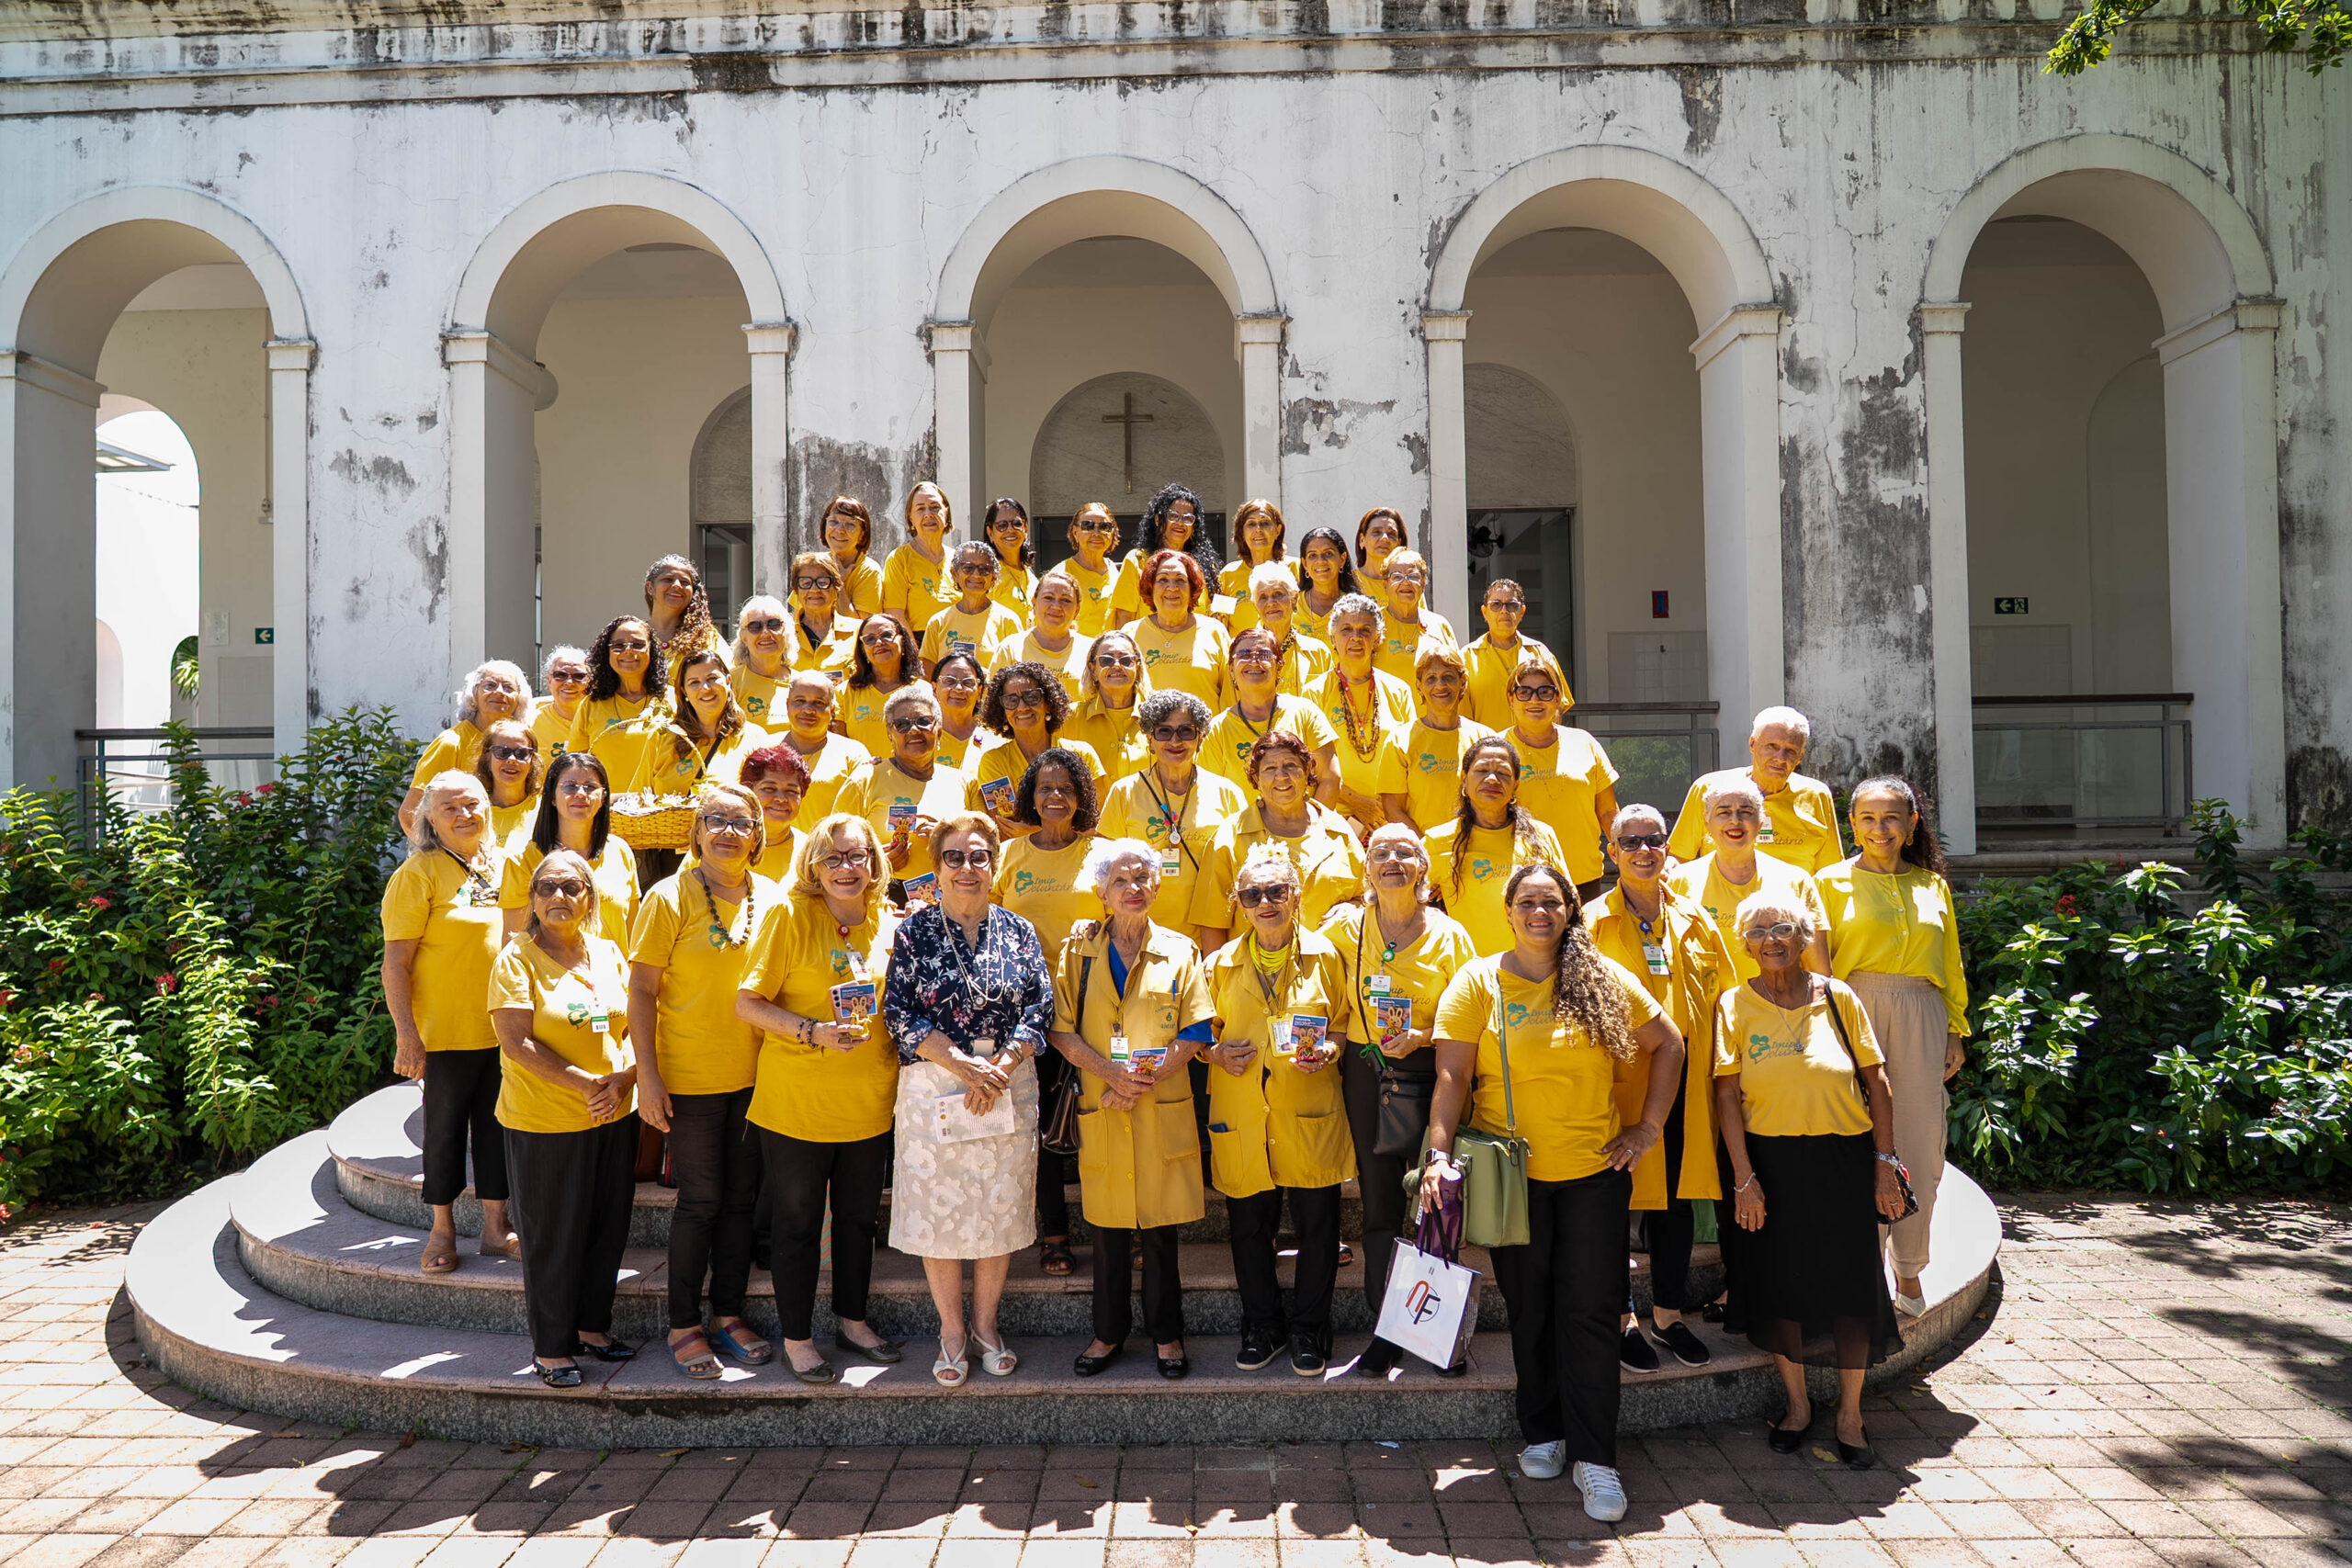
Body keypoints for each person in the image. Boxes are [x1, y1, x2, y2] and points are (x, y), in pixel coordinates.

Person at [1424, 864, 1686, 1519]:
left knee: (1591, 1312)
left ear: (1570, 909)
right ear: (1508, 910)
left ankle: (1596, 1459)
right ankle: (1543, 1429)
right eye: (1527, 902)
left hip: (1595, 1176)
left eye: (1552, 901)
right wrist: (1436, 1155)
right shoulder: (1477, 981)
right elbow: (1452, 1078)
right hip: (1513, 1179)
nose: (1539, 911)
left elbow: (1669, 1043)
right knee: (1531, 1306)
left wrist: (1648, 1125)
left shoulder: (1598, 978)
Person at [1714, 890, 1908, 1467]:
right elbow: (1726, 1094)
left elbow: (1878, 1084)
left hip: (1844, 1159)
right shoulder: (1733, 1004)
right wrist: (1744, 1178)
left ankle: (1850, 1414)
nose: (1771, 940)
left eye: (1783, 929)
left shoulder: (1839, 996)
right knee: (1782, 1285)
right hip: (1770, 1163)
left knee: (1853, 1285)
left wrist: (1883, 1164)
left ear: (1803, 939)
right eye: (1758, 931)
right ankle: (1797, 1406)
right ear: (1744, 945)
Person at [884, 813, 1055, 1384]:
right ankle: (951, 1330)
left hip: (1006, 1083)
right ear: (936, 868)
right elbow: (897, 1012)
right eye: (953, 857)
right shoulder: (913, 932)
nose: (966, 867)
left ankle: (986, 1327)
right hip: (936, 1081)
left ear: (995, 864)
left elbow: (1040, 1009)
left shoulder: (1020, 930)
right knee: (940, 1213)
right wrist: (960, 1063)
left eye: (978, 855)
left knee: (997, 1208)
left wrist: (1000, 1067)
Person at [736, 815, 906, 1382]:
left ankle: (853, 1322)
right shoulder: (789, 914)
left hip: (869, 1099)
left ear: (874, 862)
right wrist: (813, 1032)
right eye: (833, 859)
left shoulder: (888, 919)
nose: (846, 869)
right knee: (799, 1224)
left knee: (859, 1220)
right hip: (797, 1103)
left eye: (857, 857)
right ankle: (799, 1338)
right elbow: (749, 1004)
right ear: (813, 864)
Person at [1047, 840, 1217, 1379]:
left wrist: (1137, 1081)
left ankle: (1168, 1336)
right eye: (1121, 880)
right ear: (1102, 892)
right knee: (1107, 1228)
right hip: (1104, 1100)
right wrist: (1111, 1077)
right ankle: (1108, 1334)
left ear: (1157, 886)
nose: (1134, 888)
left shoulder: (1182, 950)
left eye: (1143, 878)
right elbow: (1060, 1030)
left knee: (1162, 1229)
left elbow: (1194, 1032)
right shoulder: (1079, 952)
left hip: (1156, 1102)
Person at [1583, 805, 1736, 1371]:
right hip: (1621, 1087)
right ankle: (1623, 1318)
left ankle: (1668, 1315)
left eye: (1654, 840)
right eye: (1631, 842)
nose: (1644, 851)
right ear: (1612, 852)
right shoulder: (1591, 923)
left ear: (1668, 848)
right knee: (1615, 1207)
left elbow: (1725, 1001)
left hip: (1686, 1086)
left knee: (1673, 1204)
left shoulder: (1697, 921)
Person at [627, 784, 771, 1379]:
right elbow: (640, 990)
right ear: (697, 830)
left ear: (758, 834)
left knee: (742, 1202)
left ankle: (729, 1313)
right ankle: (684, 1323)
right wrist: (649, 1078)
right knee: (701, 1202)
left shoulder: (776, 898)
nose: (728, 830)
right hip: (689, 1079)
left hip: (761, 1080)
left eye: (741, 821)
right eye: (716, 819)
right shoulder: (669, 897)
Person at [1815, 775, 1969, 1318]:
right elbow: (1820, 969)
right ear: (1851, 824)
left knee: (1923, 1146)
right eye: (1868, 819)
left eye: (1891, 818)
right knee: (1859, 1144)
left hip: (1924, 1014)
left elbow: (1949, 963)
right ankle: (1862, 1271)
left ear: (1911, 824)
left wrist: (1955, 1028)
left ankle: (1909, 1270)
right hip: (1855, 1011)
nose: (1880, 829)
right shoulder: (1827, 883)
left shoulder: (1933, 885)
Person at [1328, 824, 1479, 1378]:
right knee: (1379, 1209)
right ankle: (1386, 1331)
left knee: (1439, 1205)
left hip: (1431, 1073)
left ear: (1423, 868)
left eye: (1405, 852)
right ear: (1366, 868)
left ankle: (1442, 1334)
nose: (1392, 860)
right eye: (1381, 852)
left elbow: (1469, 1014)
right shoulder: (1346, 927)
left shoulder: (1450, 934)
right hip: (1368, 1075)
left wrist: (1423, 1034)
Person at [491, 848, 639, 1388]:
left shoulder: (606, 951)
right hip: (545, 1120)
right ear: (531, 899)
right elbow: (516, 1041)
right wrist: (586, 1085)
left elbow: (628, 1030)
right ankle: (552, 1348)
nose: (559, 897)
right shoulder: (516, 957)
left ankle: (593, 1329)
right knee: (552, 1235)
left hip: (612, 1114)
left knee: (606, 1228)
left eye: (572, 887)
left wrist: (622, 1082)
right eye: (547, 887)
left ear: (589, 898)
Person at [1204, 852, 1355, 1374]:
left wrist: (1331, 1051)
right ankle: (1262, 1324)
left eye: (1275, 892)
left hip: (1309, 1110)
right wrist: (1214, 1053)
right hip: (1244, 1113)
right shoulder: (1218, 964)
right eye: (1252, 895)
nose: (1264, 903)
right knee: (1249, 1229)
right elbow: (1203, 1034)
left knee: (1318, 1229)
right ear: (1239, 904)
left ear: (1295, 895)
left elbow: (1341, 1023)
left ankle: (1311, 1329)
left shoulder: (1327, 956)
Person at [383, 771, 515, 1276]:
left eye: (473, 804)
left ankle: (495, 1227)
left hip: (503, 1029)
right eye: (450, 808)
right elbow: (395, 963)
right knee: (442, 1133)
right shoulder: (418, 874)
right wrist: (406, 1034)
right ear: (430, 820)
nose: (465, 815)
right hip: (443, 1034)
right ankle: (441, 1229)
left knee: (497, 1129)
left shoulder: (506, 866)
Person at [994, 750, 1108, 1279]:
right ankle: (1055, 1233)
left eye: (1066, 787)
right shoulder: (1008, 854)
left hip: (1096, 1006)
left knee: (1102, 1119)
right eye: (1044, 788)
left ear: (1082, 796)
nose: (1055, 796)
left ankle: (1117, 1226)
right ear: (1029, 798)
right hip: (1028, 1011)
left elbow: (1129, 920)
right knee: (1041, 1126)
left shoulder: (1102, 854)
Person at [1191, 731, 1368, 946]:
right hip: (1256, 974)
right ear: (1255, 778)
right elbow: (1212, 921)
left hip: (1331, 972)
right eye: (1269, 768)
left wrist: (1355, 907)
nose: (1282, 776)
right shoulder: (1231, 836)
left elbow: (1369, 897)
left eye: (1291, 765)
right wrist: (1216, 974)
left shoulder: (1338, 830)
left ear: (1308, 770)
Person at [1097, 691, 1247, 935]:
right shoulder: (1123, 792)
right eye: (1164, 731)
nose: (1175, 741)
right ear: (1150, 740)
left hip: (1211, 935)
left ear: (1200, 738)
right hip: (1140, 934)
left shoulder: (1227, 792)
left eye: (1186, 731)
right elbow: (1103, 869)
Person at [1665, 776, 1831, 982]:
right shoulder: (1679, 881)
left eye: (1746, 812)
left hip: (1779, 1009)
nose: (1735, 820)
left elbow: (1819, 972)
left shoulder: (1796, 881)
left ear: (1761, 821)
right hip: (1707, 1011)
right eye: (1723, 812)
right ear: (1706, 822)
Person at [1426, 735, 1568, 955]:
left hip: (1537, 970)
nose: (1492, 779)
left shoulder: (1541, 835)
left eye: (1503, 773)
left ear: (1515, 786)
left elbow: (1569, 901)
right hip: (1470, 972)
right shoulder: (1437, 840)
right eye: (1482, 770)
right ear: (1464, 780)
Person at [832, 683, 977, 888]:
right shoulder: (864, 779)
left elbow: (986, 847)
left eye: (924, 721)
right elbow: (831, 847)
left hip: (954, 896)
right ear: (890, 734)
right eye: (902, 724)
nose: (914, 730)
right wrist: (875, 863)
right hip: (881, 896)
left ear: (940, 731)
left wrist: (950, 837)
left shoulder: (965, 783)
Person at [1668, 706, 1845, 873]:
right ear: (1752, 744)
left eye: (1790, 751)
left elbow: (1831, 872)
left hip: (1794, 903)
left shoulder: (1816, 795)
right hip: (1722, 903)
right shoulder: (1711, 788)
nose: (1780, 758)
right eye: (1772, 747)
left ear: (1800, 757)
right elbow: (1679, 857)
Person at [1501, 658, 1620, 900]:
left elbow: (1608, 812)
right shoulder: (1497, 749)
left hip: (1583, 878)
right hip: (1522, 878)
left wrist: (1628, 852)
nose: (1535, 700)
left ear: (1557, 699)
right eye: (1524, 692)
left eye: (1545, 692)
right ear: (1511, 700)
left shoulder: (1584, 742)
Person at [1305, 595, 1417, 840]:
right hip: (1336, 818)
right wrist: (1357, 803)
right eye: (1346, 630)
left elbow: (1410, 760)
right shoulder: (1313, 692)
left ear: (1377, 639)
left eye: (1365, 630)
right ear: (1333, 638)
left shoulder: (1399, 690)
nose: (1356, 637)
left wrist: (1385, 808)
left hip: (1390, 820)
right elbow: (1310, 765)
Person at [503, 751, 640, 946]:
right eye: (570, 786)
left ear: (603, 798)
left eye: (591, 787)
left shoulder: (621, 851)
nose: (581, 794)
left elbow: (634, 937)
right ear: (551, 797)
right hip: (549, 976)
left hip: (613, 975)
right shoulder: (523, 860)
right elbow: (513, 942)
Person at [1199, 627, 1340, 802]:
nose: (1254, 661)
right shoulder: (1217, 730)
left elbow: (1330, 778)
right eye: (1244, 655)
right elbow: (1210, 794)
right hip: (1242, 829)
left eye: (1264, 655)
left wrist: (1310, 825)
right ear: (1231, 670)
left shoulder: (1305, 712)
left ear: (1279, 666)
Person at [970, 661, 1104, 837]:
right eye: (1011, 700)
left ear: (1048, 703)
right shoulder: (993, 762)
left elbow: (1097, 821)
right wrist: (1067, 826)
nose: (1022, 707)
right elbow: (1006, 825)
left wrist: (1036, 830)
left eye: (1031, 697)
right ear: (1002, 711)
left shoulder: (1083, 754)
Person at [401, 660, 531, 835]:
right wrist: (441, 856)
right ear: (473, 694)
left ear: (519, 699)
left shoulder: (523, 743)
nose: (499, 692)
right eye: (490, 685)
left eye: (508, 687)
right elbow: (410, 813)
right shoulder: (450, 743)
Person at [1378, 646, 1495, 830]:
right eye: (1431, 679)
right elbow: (1393, 809)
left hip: (1477, 850)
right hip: (1425, 852)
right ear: (1419, 687)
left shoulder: (1486, 739)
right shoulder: (1399, 741)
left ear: (1462, 682)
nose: (1440, 685)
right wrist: (1427, 848)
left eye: (1448, 677)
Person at [626, 648, 766, 795]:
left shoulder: (755, 738)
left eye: (712, 678)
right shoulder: (662, 737)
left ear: (728, 681)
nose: (705, 688)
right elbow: (638, 797)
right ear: (684, 691)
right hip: (669, 820)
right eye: (694, 682)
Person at [567, 615, 672, 793]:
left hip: (660, 812)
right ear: (606, 652)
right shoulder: (591, 704)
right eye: (618, 645)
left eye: (637, 644)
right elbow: (575, 765)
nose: (628, 651)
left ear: (651, 650)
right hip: (606, 810)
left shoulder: (673, 699)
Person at [1129, 548, 1231, 708]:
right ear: (1150, 587)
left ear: (1192, 587)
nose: (1172, 587)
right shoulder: (1129, 634)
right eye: (1162, 580)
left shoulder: (1215, 631)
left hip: (1206, 733)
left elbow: (1230, 695)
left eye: (1180, 580)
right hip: (1147, 733)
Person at [1462, 580, 1568, 729]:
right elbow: (1462, 718)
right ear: (1485, 612)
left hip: (1533, 748)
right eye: (1496, 605)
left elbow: (1558, 707)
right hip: (1488, 750)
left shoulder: (1539, 653)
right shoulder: (1466, 657)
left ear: (1522, 612)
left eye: (1511, 605)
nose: (1504, 610)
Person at [770, 670, 872, 821]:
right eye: (799, 700)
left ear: (832, 710)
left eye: (818, 703)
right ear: (787, 705)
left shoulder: (854, 754)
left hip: (828, 844)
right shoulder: (763, 747)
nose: (808, 710)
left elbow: (862, 815)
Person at [1113, 482, 1219, 626]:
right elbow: (1123, 617)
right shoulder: (1137, 560)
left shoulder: (1205, 567)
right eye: (1173, 516)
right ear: (1158, 519)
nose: (1180, 523)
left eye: (1188, 518)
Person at [1062, 628, 1154, 785]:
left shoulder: (1158, 718)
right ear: (1093, 670)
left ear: (1137, 667)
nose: (1117, 665)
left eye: (1126, 660)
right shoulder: (1069, 718)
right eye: (1106, 660)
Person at [920, 541, 1025, 674]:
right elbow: (927, 676)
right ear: (954, 573)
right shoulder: (938, 622)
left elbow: (1018, 674)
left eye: (985, 569)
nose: (976, 574)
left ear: (993, 577)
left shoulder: (1008, 620)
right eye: (968, 568)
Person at [1369, 549, 1457, 699]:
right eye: (1396, 577)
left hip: (1434, 720)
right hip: (1387, 719)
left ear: (1423, 583)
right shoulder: (1372, 625)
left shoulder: (1439, 624)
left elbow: (1458, 675)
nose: (1406, 582)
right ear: (1385, 584)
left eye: (1413, 576)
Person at [837, 613, 923, 758]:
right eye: (870, 639)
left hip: (909, 778)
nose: (879, 643)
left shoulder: (923, 690)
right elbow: (840, 748)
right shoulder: (844, 692)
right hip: (863, 777)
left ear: (903, 640)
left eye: (887, 635)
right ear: (863, 650)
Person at [1001, 569, 1093, 699]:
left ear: (1077, 610)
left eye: (1066, 600)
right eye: (1048, 598)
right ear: (1034, 602)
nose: (1056, 606)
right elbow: (994, 702)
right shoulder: (1010, 647)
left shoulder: (1092, 650)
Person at [1244, 561, 1333, 697]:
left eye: (1278, 594)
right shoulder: (1242, 654)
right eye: (1263, 597)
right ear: (1255, 605)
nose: (1271, 602)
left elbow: (1329, 703)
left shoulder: (1319, 652)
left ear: (1294, 599)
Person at [881, 481, 956, 635]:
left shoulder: (959, 560)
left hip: (958, 645)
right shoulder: (899, 559)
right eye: (920, 509)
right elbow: (895, 616)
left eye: (935, 507)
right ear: (911, 518)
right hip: (918, 645)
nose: (928, 514)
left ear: (946, 513)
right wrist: (917, 657)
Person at [1216, 499, 1294, 636]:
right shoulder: (1227, 575)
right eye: (1251, 524)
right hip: (1244, 655)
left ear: (1278, 530)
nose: (1258, 530)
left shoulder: (1295, 568)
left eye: (1265, 523)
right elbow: (1219, 626)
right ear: (1242, 533)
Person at [776, 560, 859, 676]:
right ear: (796, 591)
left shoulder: (859, 631)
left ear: (836, 589)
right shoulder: (781, 634)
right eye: (806, 583)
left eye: (823, 582)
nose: (814, 589)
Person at [741, 743, 810, 879]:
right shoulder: (721, 843)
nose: (781, 799)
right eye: (769, 789)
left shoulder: (814, 853)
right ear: (747, 791)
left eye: (791, 791)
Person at [472, 717, 542, 846]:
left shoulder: (544, 810)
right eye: (502, 752)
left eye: (522, 753)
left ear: (533, 761)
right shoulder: (472, 810)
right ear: (487, 757)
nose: (511, 759)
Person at [644, 554, 718, 670]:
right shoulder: (633, 635)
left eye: (685, 582)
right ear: (650, 587)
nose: (677, 586)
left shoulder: (707, 638)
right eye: (668, 580)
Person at [816, 495, 885, 618]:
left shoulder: (869, 571)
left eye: (850, 525)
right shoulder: (814, 565)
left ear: (862, 534)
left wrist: (838, 583)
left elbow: (862, 627)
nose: (840, 530)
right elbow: (799, 618)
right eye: (833, 522)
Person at [727, 593, 787, 728]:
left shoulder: (801, 682)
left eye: (774, 624)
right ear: (743, 637)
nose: (765, 632)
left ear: (786, 632)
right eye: (755, 627)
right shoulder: (730, 682)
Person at [1062, 502, 1123, 637]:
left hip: (1109, 654)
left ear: (1112, 533)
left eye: (1104, 527)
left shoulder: (1118, 573)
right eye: (1088, 526)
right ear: (1075, 532)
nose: (1096, 533)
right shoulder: (1061, 574)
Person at [1294, 525, 1360, 643]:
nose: (1321, 561)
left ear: (1342, 559)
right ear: (1304, 564)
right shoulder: (1291, 605)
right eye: (1312, 555)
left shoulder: (1357, 607)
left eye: (1328, 553)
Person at [928, 649, 991, 770]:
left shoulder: (993, 739)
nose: (958, 688)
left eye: (968, 682)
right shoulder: (922, 736)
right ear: (934, 689)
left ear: (979, 692)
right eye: (949, 681)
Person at [979, 497, 1039, 623]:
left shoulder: (1028, 572)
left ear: (1026, 528)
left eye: (1017, 524)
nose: (1010, 530)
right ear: (990, 533)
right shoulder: (987, 575)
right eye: (1002, 525)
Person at [530, 646, 591, 760]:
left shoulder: (601, 718)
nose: (569, 682)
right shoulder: (531, 722)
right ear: (549, 680)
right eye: (560, 675)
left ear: (590, 682)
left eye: (579, 676)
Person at [1351, 507, 1408, 613]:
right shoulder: (1348, 581)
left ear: (1399, 543)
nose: (1385, 538)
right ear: (1362, 540)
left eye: (1391, 534)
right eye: (1376, 532)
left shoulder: (1408, 582)